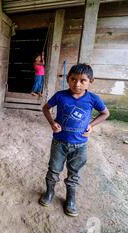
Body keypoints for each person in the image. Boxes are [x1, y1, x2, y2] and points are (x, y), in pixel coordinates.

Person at [39, 63, 109, 217]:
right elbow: (45, 108)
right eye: (73, 79)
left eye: (83, 80)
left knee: (74, 172)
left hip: (80, 145)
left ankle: (70, 198)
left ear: (91, 81)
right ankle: (50, 192)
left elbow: (105, 113)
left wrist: (91, 125)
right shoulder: (60, 96)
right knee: (53, 170)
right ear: (68, 79)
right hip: (59, 142)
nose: (77, 84)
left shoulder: (92, 99)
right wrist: (52, 123)